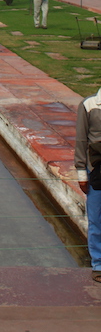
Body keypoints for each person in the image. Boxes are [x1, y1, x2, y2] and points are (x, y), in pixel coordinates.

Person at [75, 87, 101, 283]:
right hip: (96, 171)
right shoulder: (89, 105)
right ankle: (98, 264)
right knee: (96, 220)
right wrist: (81, 173)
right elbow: (81, 141)